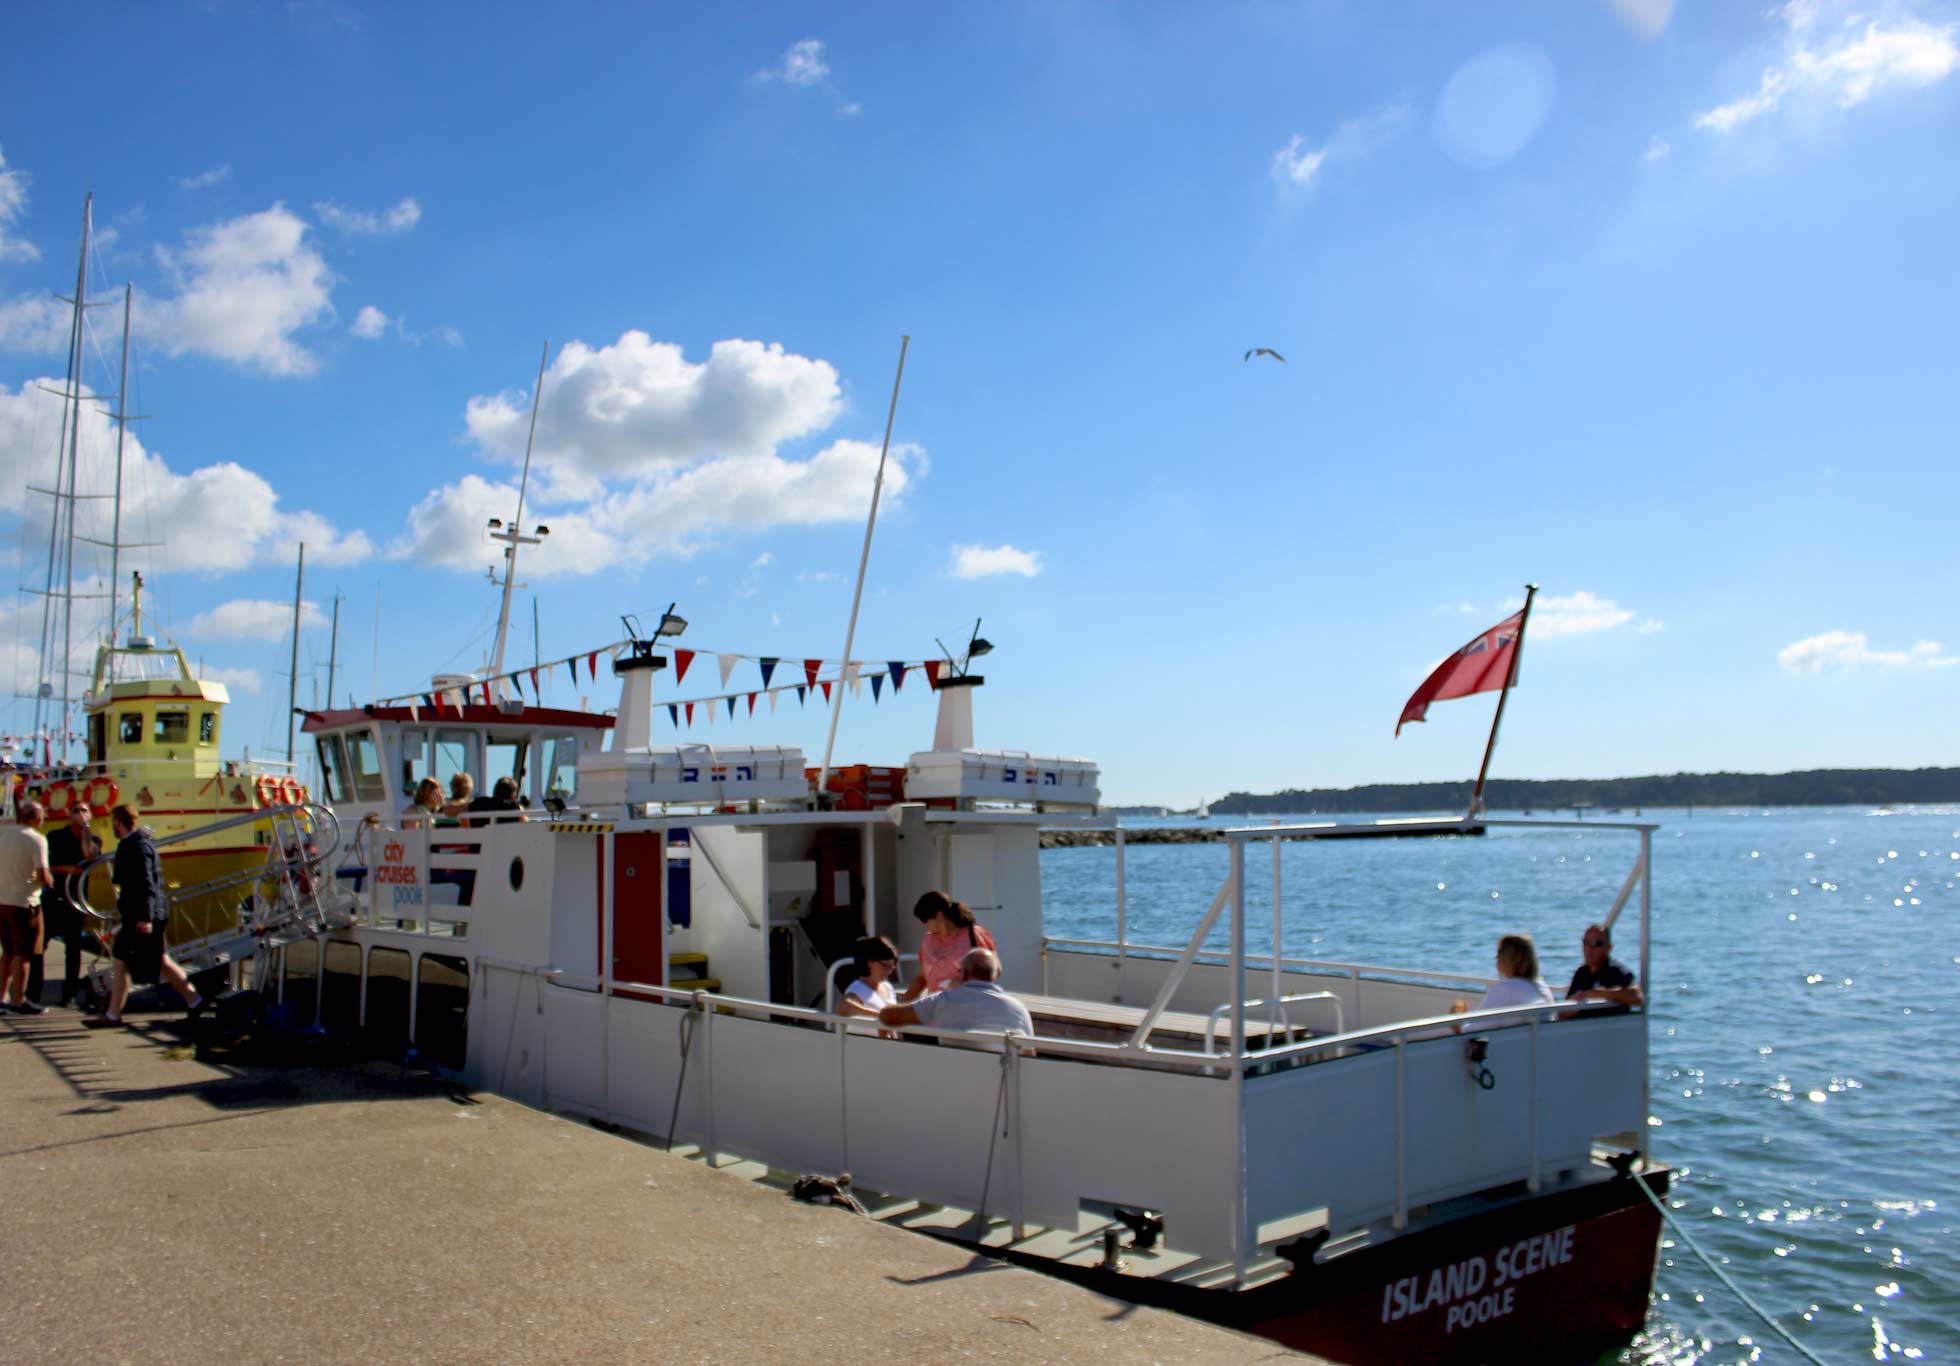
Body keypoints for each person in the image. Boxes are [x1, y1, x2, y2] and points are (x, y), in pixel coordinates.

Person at [85, 804, 203, 1028]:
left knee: (145, 961)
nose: (112, 825)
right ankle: (193, 1000)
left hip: (142, 916)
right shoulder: (136, 843)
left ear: (118, 822)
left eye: (113, 822)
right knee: (133, 961)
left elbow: (148, 885)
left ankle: (193, 999)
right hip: (141, 914)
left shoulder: (138, 846)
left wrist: (147, 918)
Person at [880, 948, 1034, 1039]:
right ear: (993, 975)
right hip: (1003, 1082)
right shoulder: (1018, 1008)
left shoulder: (943, 1000)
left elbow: (887, 1016)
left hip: (954, 1075)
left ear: (964, 974)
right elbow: (1028, 1053)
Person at [33, 800, 99, 1008]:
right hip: (53, 899)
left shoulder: (93, 839)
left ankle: (68, 995)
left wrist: (86, 827)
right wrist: (66, 869)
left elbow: (89, 854)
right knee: (39, 945)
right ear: (69, 815)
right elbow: (47, 867)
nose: (80, 814)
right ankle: (33, 992)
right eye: (76, 811)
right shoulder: (55, 837)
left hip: (76, 902)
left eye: (84, 811)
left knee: (73, 948)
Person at [0, 800, 53, 1015]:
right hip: (25, 902)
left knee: (8, 952)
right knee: (24, 954)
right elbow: (43, 873)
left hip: (2, 900)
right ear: (37, 818)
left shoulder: (4, 835)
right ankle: (18, 1000)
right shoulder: (37, 840)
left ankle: (1, 996)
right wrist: (49, 882)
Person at [901, 890, 995, 1000]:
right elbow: (923, 977)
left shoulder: (973, 933)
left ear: (939, 915)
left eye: (924, 919)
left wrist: (964, 985)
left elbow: (995, 969)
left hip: (968, 1006)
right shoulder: (928, 940)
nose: (923, 924)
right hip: (938, 1009)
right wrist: (904, 1000)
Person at [1473, 933, 1555, 1017]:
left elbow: (1474, 1027)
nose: (1496, 957)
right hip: (1537, 1029)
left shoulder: (1506, 988)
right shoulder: (1542, 987)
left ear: (1507, 958)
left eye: (1499, 952)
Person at [1566, 924, 1643, 1007]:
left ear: (1609, 948)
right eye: (1586, 942)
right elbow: (1563, 1011)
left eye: (1596, 944)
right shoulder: (1581, 973)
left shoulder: (1616, 971)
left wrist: (1603, 994)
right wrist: (1576, 1002)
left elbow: (1637, 997)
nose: (1590, 949)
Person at [837, 934, 900, 1021]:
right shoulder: (857, 989)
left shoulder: (887, 987)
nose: (889, 972)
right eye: (884, 966)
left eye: (891, 967)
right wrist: (882, 1016)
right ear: (870, 962)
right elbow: (845, 1007)